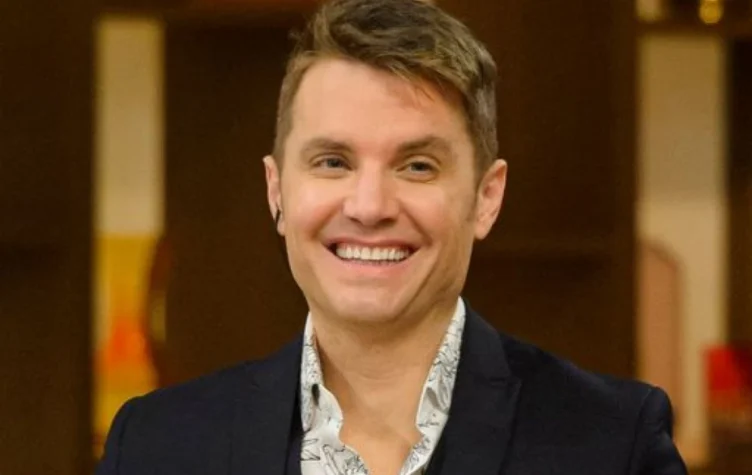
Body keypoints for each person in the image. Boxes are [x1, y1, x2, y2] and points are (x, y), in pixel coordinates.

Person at [96, 0, 687, 474]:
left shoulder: (613, 444)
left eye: (417, 166)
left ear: (486, 197)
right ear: (277, 191)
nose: (370, 206)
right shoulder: (157, 445)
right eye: (332, 162)